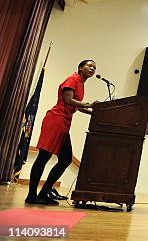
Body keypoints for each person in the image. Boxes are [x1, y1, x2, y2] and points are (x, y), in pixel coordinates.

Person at [25, 60, 97, 205]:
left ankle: (44, 193)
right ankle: (32, 195)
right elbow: (68, 100)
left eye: (94, 67)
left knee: (65, 160)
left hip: (63, 123)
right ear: (80, 67)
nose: (92, 69)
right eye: (90, 66)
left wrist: (94, 113)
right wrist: (88, 104)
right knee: (44, 157)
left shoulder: (81, 84)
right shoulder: (73, 78)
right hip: (55, 120)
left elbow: (76, 105)